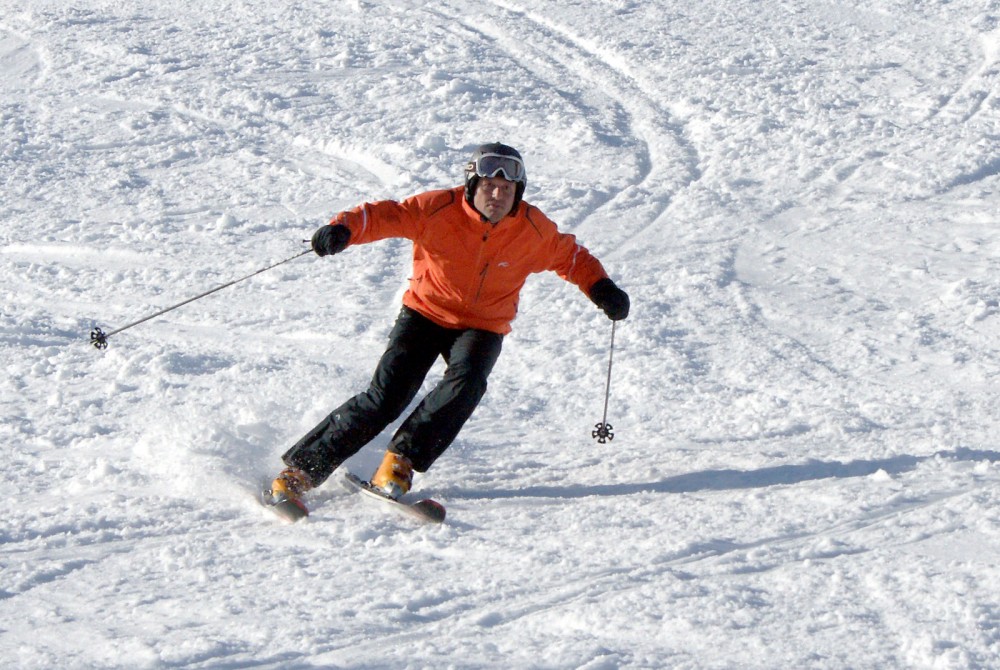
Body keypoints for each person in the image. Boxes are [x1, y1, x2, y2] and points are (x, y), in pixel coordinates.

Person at [267, 142, 629, 515]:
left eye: (507, 190)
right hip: (425, 313)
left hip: (483, 325)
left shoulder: (532, 230)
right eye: (489, 185)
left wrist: (602, 288)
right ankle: (298, 472)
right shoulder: (437, 208)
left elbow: (572, 258)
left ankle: (399, 464)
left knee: (468, 382)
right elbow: (385, 216)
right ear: (472, 185)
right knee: (387, 397)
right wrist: (342, 229)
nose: (497, 195)